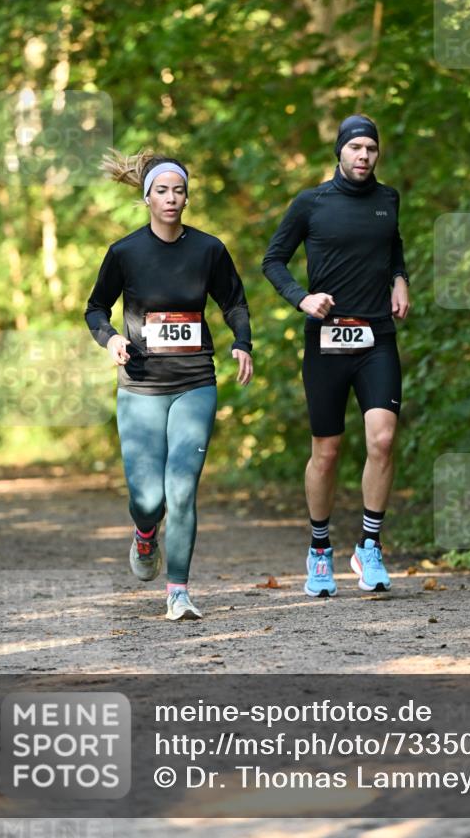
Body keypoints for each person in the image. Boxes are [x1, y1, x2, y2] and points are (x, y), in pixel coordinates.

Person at [85, 150, 253, 621]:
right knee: (149, 500)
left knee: (181, 489)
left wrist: (243, 342)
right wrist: (112, 338)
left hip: (195, 381)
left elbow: (234, 303)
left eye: (179, 190)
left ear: (186, 196)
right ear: (147, 197)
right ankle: (144, 533)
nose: (172, 198)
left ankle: (178, 591)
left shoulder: (209, 249)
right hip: (140, 385)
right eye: (162, 190)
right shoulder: (125, 252)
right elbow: (95, 308)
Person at [262, 115, 409, 598]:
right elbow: (273, 260)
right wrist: (302, 298)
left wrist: (399, 278)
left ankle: (368, 545)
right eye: (356, 148)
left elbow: (394, 247)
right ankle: (320, 548)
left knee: (383, 439)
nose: (364, 156)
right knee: (326, 452)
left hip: (377, 338)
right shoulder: (311, 203)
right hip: (326, 342)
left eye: (371, 148)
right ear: (339, 153)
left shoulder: (388, 200)